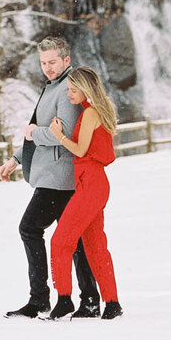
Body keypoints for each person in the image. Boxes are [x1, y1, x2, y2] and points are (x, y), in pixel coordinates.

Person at [0, 36, 101, 319]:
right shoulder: (53, 86)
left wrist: (32, 133)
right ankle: (88, 300)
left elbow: (63, 132)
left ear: (66, 60)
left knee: (30, 229)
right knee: (75, 240)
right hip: (53, 175)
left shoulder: (68, 88)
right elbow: (44, 129)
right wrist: (16, 158)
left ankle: (41, 299)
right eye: (44, 63)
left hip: (59, 177)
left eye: (53, 62)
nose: (48, 67)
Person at [46, 66, 124, 321]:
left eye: (73, 89)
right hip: (92, 182)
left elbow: (80, 150)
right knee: (94, 246)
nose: (69, 93)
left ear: (86, 90)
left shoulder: (90, 113)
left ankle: (64, 299)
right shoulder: (93, 110)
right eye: (68, 89)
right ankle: (112, 303)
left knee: (60, 241)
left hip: (91, 182)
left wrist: (59, 136)